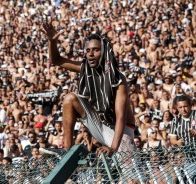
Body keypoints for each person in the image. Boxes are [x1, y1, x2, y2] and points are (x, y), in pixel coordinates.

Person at [41, 22, 135, 156]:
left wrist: (113, 148)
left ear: (104, 52)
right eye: (88, 50)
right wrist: (52, 42)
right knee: (70, 99)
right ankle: (67, 152)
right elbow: (56, 60)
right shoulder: (85, 68)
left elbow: (121, 117)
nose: (90, 54)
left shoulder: (118, 79)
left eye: (96, 50)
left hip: (121, 131)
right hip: (101, 125)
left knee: (131, 177)